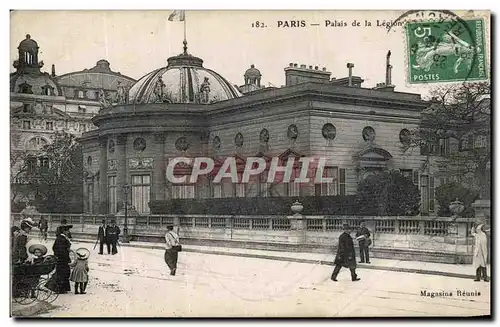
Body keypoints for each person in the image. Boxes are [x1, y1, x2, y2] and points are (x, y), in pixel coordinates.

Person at [52, 224, 73, 294]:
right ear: (63, 231)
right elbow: (61, 250)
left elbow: (54, 248)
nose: (68, 232)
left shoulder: (61, 238)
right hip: (62, 259)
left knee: (64, 273)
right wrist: (65, 256)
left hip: (62, 258)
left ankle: (63, 288)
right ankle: (60, 289)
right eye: (67, 230)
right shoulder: (61, 239)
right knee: (62, 273)